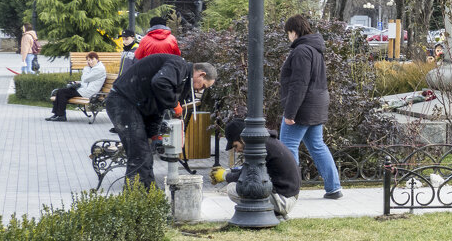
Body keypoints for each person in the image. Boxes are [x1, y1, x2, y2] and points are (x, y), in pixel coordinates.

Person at [105, 54, 216, 187]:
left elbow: (158, 107)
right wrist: (175, 105)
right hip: (122, 101)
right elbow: (159, 82)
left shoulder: (182, 79)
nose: (200, 90)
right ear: (201, 74)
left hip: (133, 104)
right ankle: (138, 195)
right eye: (203, 86)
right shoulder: (178, 65)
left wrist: (154, 134)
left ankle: (148, 193)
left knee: (145, 152)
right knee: (139, 152)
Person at [278, 15, 343, 199]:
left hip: (302, 108)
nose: (288, 37)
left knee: (288, 147)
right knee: (317, 146)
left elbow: (299, 84)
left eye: (288, 33)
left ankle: (290, 191)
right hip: (317, 104)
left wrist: (290, 113)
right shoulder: (316, 49)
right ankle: (334, 188)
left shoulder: (301, 51)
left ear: (294, 31)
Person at [219, 118, 301, 220]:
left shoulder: (259, 148)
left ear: (242, 138)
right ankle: (276, 214)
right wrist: (229, 172)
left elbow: (245, 176)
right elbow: (246, 170)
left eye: (236, 145)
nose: (236, 150)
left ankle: (267, 214)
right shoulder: (266, 142)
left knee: (232, 189)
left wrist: (224, 176)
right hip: (287, 197)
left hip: (283, 201)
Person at [47, 51, 106, 121]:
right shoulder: (94, 68)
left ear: (97, 59)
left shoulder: (99, 69)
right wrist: (78, 82)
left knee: (62, 92)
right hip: (83, 90)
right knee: (60, 92)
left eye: (92, 59)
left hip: (88, 93)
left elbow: (86, 79)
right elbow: (88, 80)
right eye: (88, 60)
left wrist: (86, 68)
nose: (90, 62)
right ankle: (57, 114)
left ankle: (61, 115)